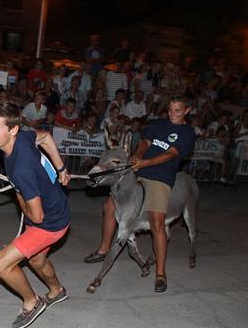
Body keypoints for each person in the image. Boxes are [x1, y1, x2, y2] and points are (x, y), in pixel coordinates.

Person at [84, 96, 196, 293]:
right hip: (138, 172)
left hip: (161, 178)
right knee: (109, 206)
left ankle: (160, 273)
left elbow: (170, 154)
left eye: (177, 110)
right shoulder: (159, 124)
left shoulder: (187, 133)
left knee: (156, 221)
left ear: (187, 110)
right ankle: (103, 249)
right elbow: (145, 141)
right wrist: (139, 156)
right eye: (170, 109)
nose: (172, 113)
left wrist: (146, 163)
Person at [0, 101, 71, 328]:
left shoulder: (22, 170)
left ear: (12, 129)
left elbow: (37, 216)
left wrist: (19, 194)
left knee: (1, 264)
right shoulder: (22, 138)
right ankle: (57, 291)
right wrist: (61, 167)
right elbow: (44, 137)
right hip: (58, 210)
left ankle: (32, 302)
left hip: (49, 223)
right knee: (36, 260)